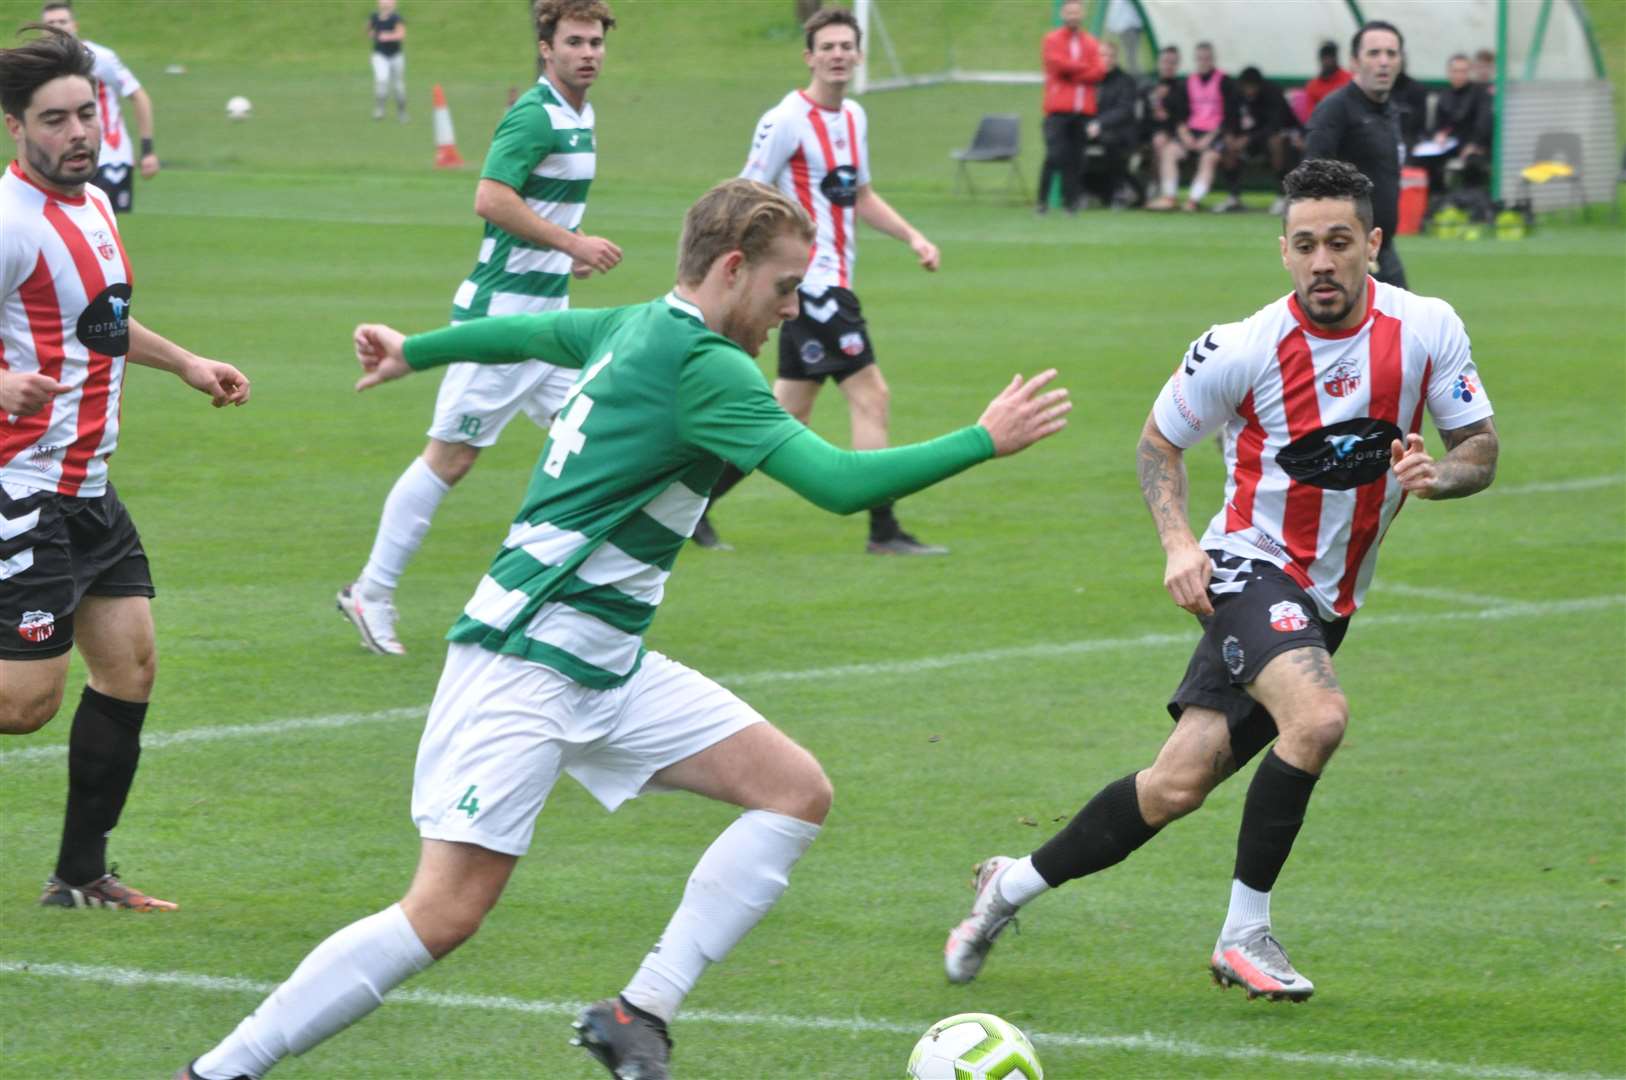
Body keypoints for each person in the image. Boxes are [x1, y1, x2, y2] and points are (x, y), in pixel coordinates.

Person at [175, 178, 1069, 1080]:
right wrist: (983, 439)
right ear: (731, 268)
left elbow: (530, 333)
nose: (792, 310)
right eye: (783, 287)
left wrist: (420, 349)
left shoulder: (636, 324)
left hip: (602, 660)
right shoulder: (708, 367)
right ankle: (219, 1071)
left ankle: (636, 1013)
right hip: (525, 660)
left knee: (794, 791)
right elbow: (839, 483)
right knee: (443, 912)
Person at [942, 158, 1499, 1004]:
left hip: (1324, 600)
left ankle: (1007, 886)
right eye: (1305, 244)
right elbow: (1157, 443)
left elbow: (1479, 449)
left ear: (1374, 246)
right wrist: (1177, 545)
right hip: (1246, 567)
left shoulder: (1427, 328)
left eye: (1339, 242)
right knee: (1318, 720)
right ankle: (1245, 936)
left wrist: (1439, 477)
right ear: (1283, 251)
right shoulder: (1240, 347)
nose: (1322, 261)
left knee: (1174, 785)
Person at [0, 26, 251, 912]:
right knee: (25, 702)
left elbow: (99, 324)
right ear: (15, 129)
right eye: (55, 119)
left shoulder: (96, 203)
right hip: (20, 488)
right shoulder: (8, 224)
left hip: (88, 487)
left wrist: (184, 362)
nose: (79, 132)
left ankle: (79, 877)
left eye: (85, 113)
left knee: (130, 667)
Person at [338, 0, 622, 657]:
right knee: (452, 457)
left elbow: (536, 208)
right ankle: (370, 593)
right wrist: (571, 244)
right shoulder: (533, 113)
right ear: (546, 48)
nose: (588, 53)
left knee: (595, 442)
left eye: (596, 42)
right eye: (575, 41)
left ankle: (561, 597)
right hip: (500, 322)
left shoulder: (582, 114)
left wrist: (562, 257)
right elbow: (490, 197)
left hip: (549, 324)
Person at [695, 7, 947, 556]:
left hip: (831, 285)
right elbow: (745, 195)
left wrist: (912, 237)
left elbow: (860, 196)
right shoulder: (785, 118)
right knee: (871, 396)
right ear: (809, 56)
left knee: (786, 414)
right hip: (811, 288)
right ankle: (883, 529)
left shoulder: (854, 117)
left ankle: (694, 505)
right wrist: (742, 277)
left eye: (846, 46)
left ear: (858, 55)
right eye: (827, 47)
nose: (838, 55)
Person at [1305, 20, 1408, 287]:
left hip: (1383, 249)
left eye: (1391, 53)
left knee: (1409, 324)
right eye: (1374, 54)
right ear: (1354, 62)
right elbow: (1309, 179)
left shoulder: (1389, 110)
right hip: (1349, 256)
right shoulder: (1336, 109)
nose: (1383, 62)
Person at [39, 1, 158, 214]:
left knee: (110, 231)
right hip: (65, 157)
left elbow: (139, 96)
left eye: (62, 21)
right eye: (51, 23)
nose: (57, 27)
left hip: (109, 157)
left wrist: (147, 150)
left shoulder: (99, 58)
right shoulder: (41, 64)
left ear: (74, 25)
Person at [1148, 41, 1236, 211]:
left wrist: (1209, 138)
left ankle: (1193, 200)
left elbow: (1229, 116)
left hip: (1214, 132)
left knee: (1209, 158)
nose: (1203, 62)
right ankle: (1169, 197)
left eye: (1207, 58)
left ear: (1213, 59)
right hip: (1191, 131)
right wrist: (1185, 136)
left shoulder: (1225, 82)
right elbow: (1179, 115)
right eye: (1200, 58)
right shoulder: (1187, 83)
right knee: (1169, 152)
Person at [1036, 0, 1106, 215]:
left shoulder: (1091, 43)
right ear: (1063, 14)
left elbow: (1099, 71)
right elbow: (1057, 65)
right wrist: (1083, 69)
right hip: (1058, 110)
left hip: (1082, 111)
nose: (1073, 16)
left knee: (1076, 159)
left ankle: (1071, 202)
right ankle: (1042, 201)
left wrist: (1074, 71)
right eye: (1069, 12)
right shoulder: (1052, 39)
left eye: (1077, 12)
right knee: (1055, 155)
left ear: (1082, 14)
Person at [1214, 66, 1297, 214]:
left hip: (1269, 139)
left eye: (1252, 87)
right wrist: (1230, 136)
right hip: (1244, 140)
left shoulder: (1273, 93)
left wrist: (1249, 138)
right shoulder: (1235, 94)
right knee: (1226, 148)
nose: (1249, 91)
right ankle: (1233, 197)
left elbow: (1275, 125)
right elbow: (1228, 120)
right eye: (1246, 87)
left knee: (1276, 142)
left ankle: (1281, 196)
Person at [1417, 54, 1493, 210]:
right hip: (1450, 145)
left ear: (1469, 72)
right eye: (1455, 71)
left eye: (1463, 71)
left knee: (1474, 162)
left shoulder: (1480, 94)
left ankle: (1472, 206)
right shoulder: (1444, 95)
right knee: (1425, 160)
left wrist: (1474, 144)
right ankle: (1437, 202)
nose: (1459, 75)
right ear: (1449, 73)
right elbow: (1437, 126)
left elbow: (1484, 123)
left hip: (1474, 145)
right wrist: (1438, 135)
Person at [1083, 40, 1139, 208]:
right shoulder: (1090, 80)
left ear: (1115, 58)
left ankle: (1118, 190)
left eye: (1110, 56)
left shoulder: (1125, 81)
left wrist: (1099, 123)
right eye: (1102, 55)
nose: (1106, 59)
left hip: (1119, 131)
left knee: (1110, 141)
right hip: (1093, 129)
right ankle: (1081, 190)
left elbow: (1124, 110)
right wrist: (1087, 125)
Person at [367, 0, 408, 122]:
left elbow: (401, 35)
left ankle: (402, 113)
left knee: (398, 86)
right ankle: (379, 109)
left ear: (394, 3)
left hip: (396, 56)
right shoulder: (374, 17)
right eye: (384, 1)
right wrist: (373, 34)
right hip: (379, 55)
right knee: (382, 80)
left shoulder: (397, 18)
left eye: (389, 2)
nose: (386, 4)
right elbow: (368, 31)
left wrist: (388, 36)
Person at [1300, 41, 1351, 121]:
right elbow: (1312, 116)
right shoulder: (1313, 86)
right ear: (1320, 59)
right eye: (1325, 57)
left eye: (1331, 56)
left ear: (1336, 58)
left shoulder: (1350, 79)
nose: (1328, 60)